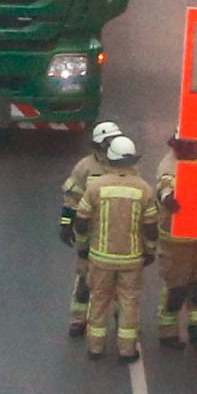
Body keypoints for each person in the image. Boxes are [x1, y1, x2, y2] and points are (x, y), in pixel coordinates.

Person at [70, 133, 157, 363]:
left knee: (98, 299)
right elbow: (151, 227)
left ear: (110, 159)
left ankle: (95, 348)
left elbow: (81, 220)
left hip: (100, 258)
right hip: (131, 259)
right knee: (129, 302)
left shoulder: (96, 187)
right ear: (132, 161)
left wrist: (83, 247)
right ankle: (127, 351)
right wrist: (149, 251)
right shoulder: (144, 189)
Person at [59, 118, 126, 338]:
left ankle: (121, 319)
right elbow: (71, 199)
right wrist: (66, 225)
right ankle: (78, 320)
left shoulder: (126, 165)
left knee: (119, 280)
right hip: (89, 232)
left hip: (117, 232)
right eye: (108, 141)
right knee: (84, 278)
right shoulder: (85, 167)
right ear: (99, 145)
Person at [154, 136, 197, 351]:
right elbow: (164, 187)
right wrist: (169, 198)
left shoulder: (195, 162)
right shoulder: (169, 165)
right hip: (175, 241)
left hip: (195, 237)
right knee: (176, 288)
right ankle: (167, 333)